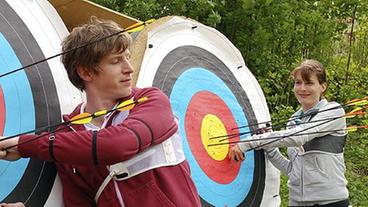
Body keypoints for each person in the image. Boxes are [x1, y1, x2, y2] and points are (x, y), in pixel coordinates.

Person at [0, 17, 201, 207]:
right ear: (86, 72)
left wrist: (27, 145)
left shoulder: (151, 101)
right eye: (116, 61)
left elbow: (118, 144)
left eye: (127, 58)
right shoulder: (67, 138)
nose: (129, 68)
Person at [228, 59, 350, 207]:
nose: (302, 88)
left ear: (323, 86)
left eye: (309, 83)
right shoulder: (294, 120)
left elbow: (299, 137)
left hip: (331, 202)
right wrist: (270, 148)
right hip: (297, 202)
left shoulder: (333, 111)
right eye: (298, 83)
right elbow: (292, 169)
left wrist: (248, 143)